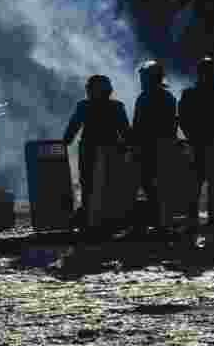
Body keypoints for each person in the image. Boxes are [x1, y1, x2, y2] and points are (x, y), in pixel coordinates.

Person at [63, 74, 131, 235]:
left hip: (90, 150)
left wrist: (64, 143)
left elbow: (72, 129)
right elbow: (126, 132)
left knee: (88, 185)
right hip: (110, 150)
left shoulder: (84, 106)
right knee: (109, 185)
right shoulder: (116, 106)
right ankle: (107, 221)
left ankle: (90, 221)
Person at [178, 57, 214, 228]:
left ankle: (207, 219)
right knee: (200, 184)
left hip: (208, 143)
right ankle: (201, 219)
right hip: (204, 143)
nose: (207, 75)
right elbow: (183, 118)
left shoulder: (196, 94)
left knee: (207, 184)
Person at [131, 60, 178, 232]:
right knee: (162, 186)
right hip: (165, 146)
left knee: (147, 184)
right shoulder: (169, 98)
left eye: (143, 77)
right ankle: (163, 222)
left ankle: (153, 222)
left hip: (149, 147)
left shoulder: (144, 98)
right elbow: (172, 125)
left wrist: (133, 145)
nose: (141, 81)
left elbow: (137, 126)